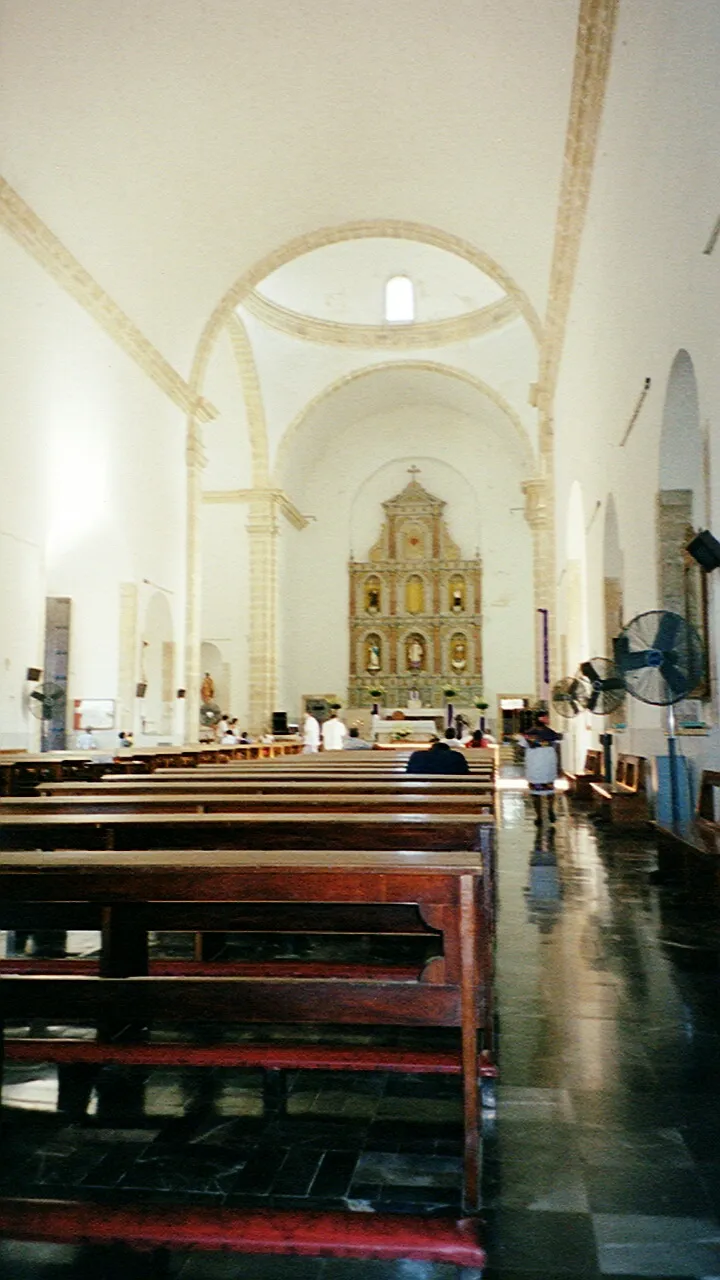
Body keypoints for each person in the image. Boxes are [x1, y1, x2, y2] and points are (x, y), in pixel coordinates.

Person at [519, 711, 562, 827]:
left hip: (534, 766)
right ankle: (550, 810)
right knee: (550, 790)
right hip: (549, 764)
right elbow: (557, 749)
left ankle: (538, 816)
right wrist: (559, 766)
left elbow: (521, 750)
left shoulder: (527, 734)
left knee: (535, 793)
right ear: (544, 719)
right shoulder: (552, 733)